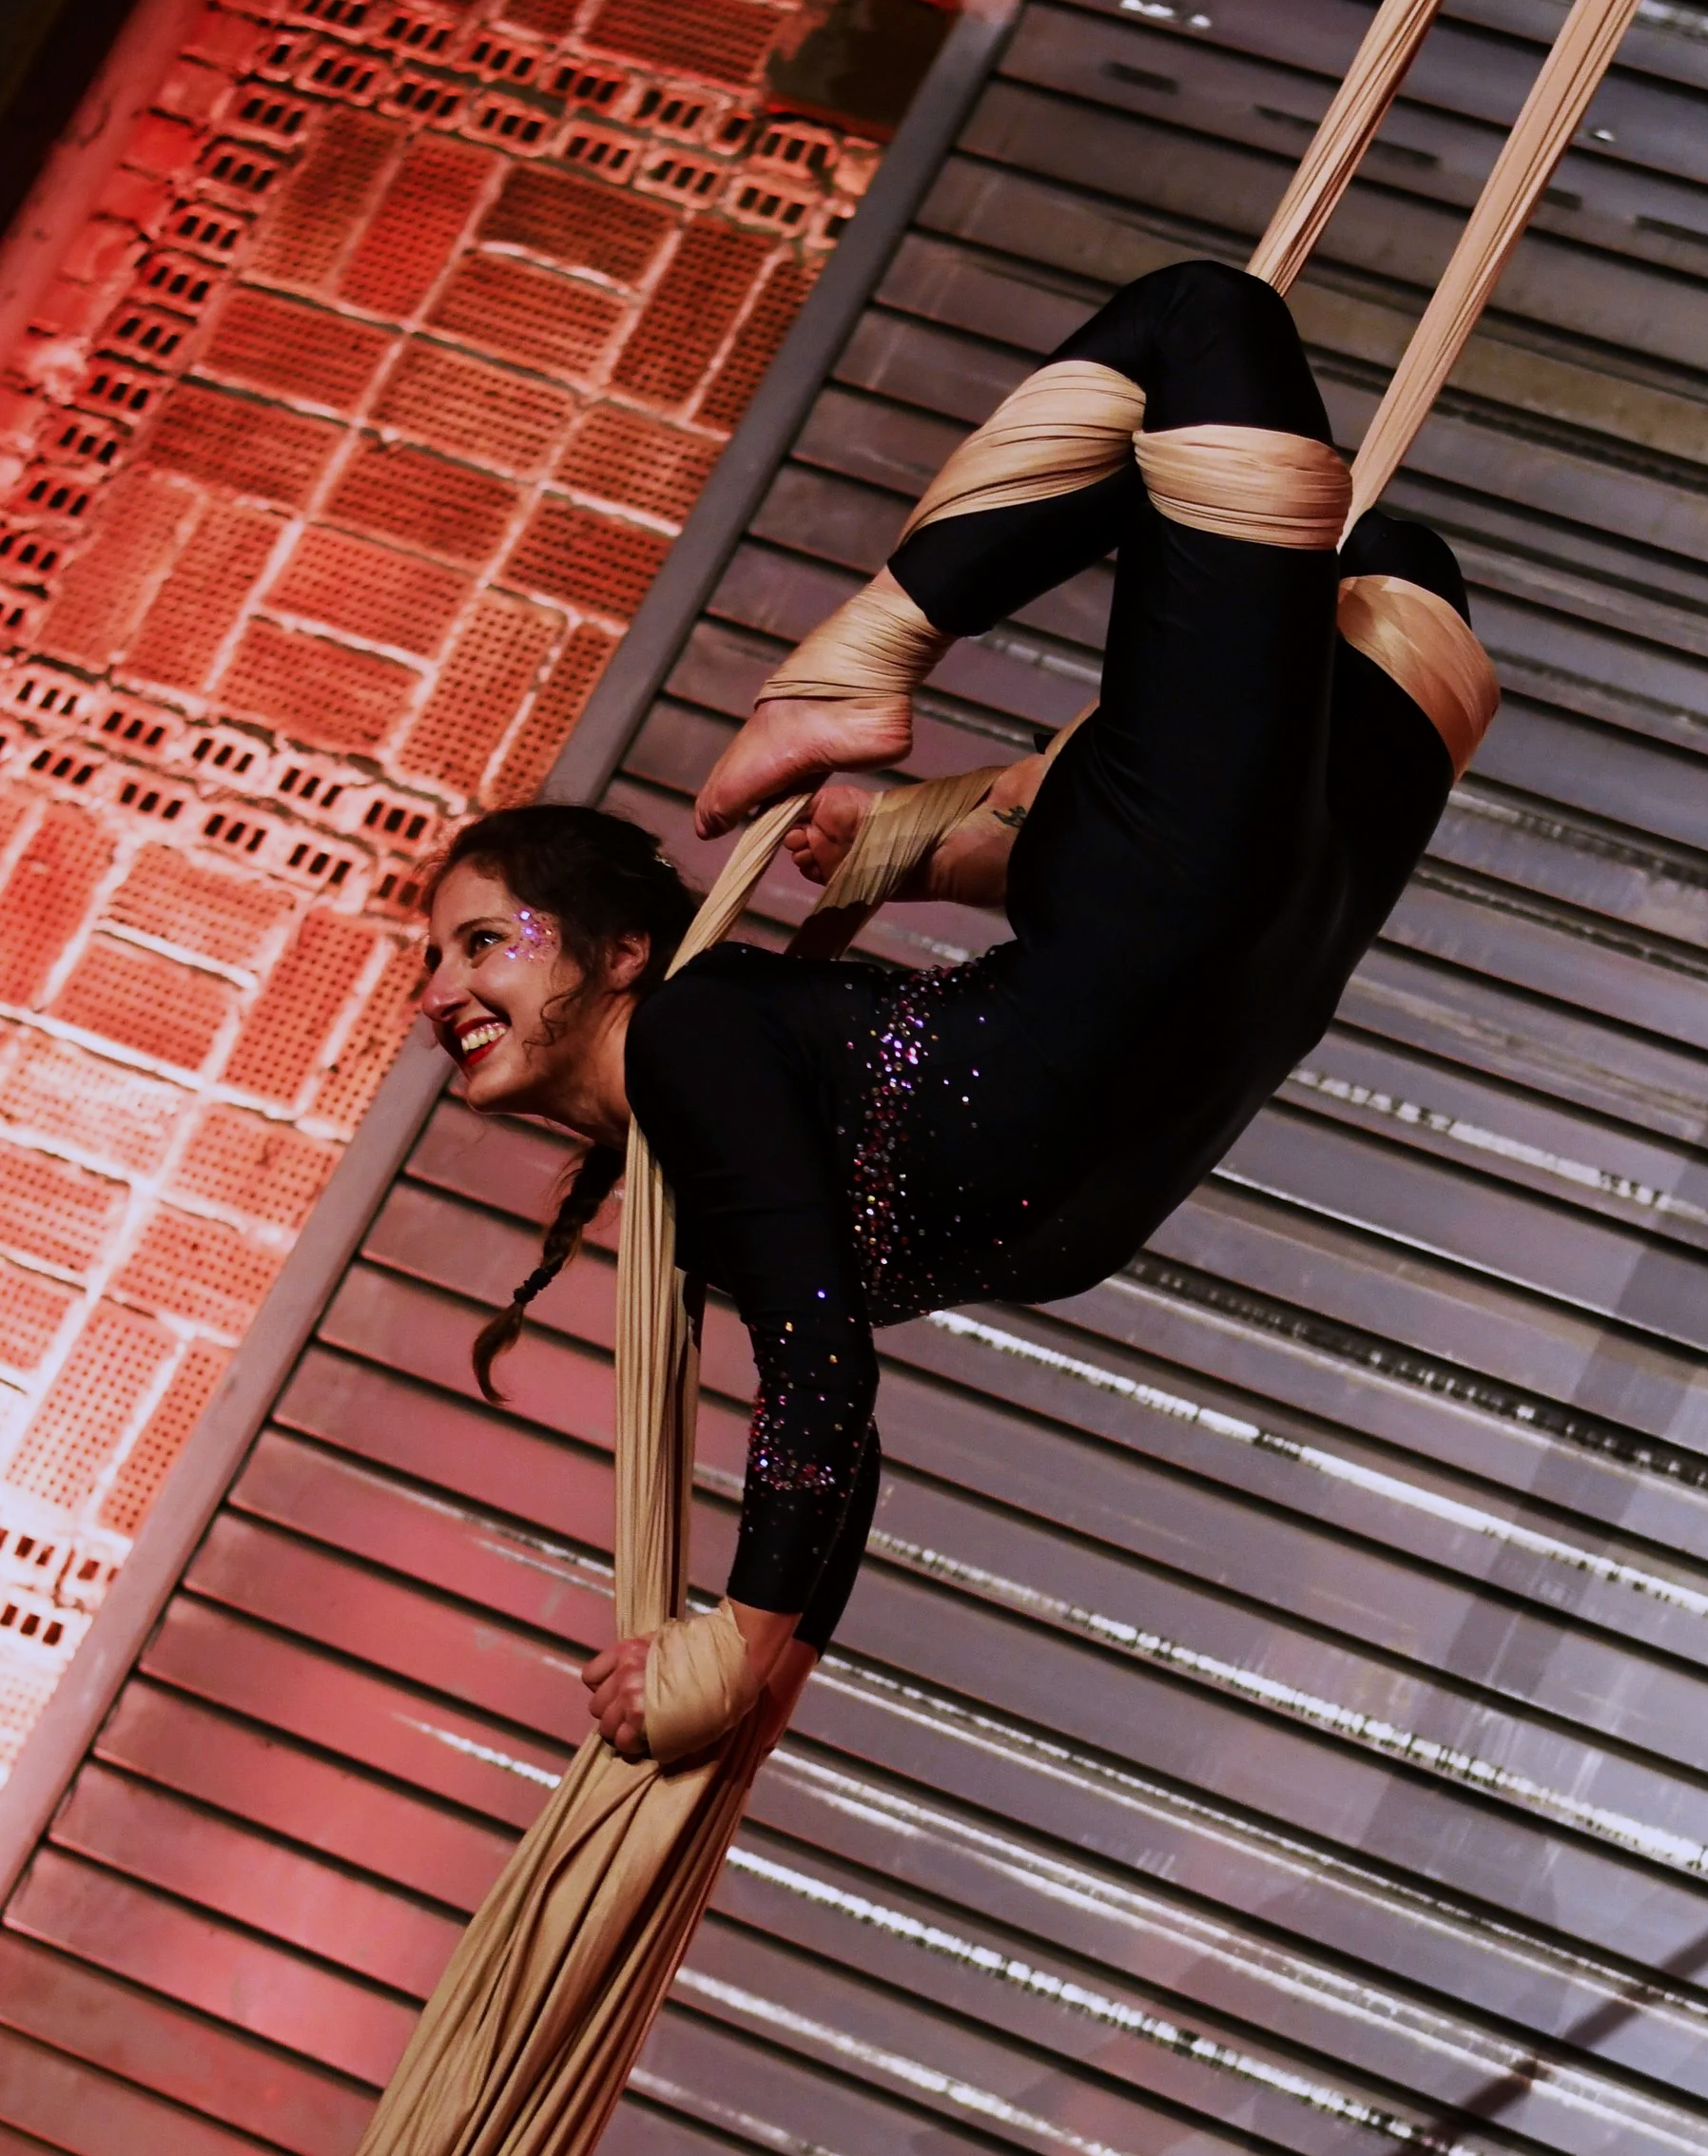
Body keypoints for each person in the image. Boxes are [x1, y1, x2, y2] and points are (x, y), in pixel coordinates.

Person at [419, 259, 1483, 1761]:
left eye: (481, 940)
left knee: (1379, 550)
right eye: (439, 962)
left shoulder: (691, 1034)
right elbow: (830, 1402)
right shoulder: (695, 1172)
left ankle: (884, 717)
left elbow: (820, 1373)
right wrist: (760, 1662)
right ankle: (892, 722)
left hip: (1217, 954)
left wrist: (749, 1635)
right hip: (1185, 937)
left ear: (613, 952)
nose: (441, 991)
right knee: (1211, 362)